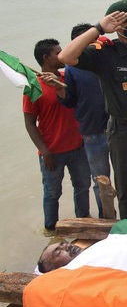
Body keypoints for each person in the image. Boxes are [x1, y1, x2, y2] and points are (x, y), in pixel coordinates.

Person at [58, 0, 127, 220]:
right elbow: (65, 57)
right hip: (125, 132)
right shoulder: (105, 54)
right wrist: (99, 28)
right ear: (116, 26)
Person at [25, 39, 91, 231]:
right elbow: (30, 124)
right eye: (58, 53)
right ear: (46, 58)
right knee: (52, 193)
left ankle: (83, 224)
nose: (62, 55)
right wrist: (44, 151)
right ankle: (51, 230)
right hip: (52, 152)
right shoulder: (33, 87)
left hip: (78, 146)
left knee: (82, 186)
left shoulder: (67, 78)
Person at [59, 24, 111, 218]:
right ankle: (106, 217)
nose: (94, 43)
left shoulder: (107, 58)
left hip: (117, 126)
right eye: (89, 40)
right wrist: (59, 89)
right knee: (100, 180)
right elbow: (70, 100)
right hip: (92, 131)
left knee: (126, 176)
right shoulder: (72, 68)